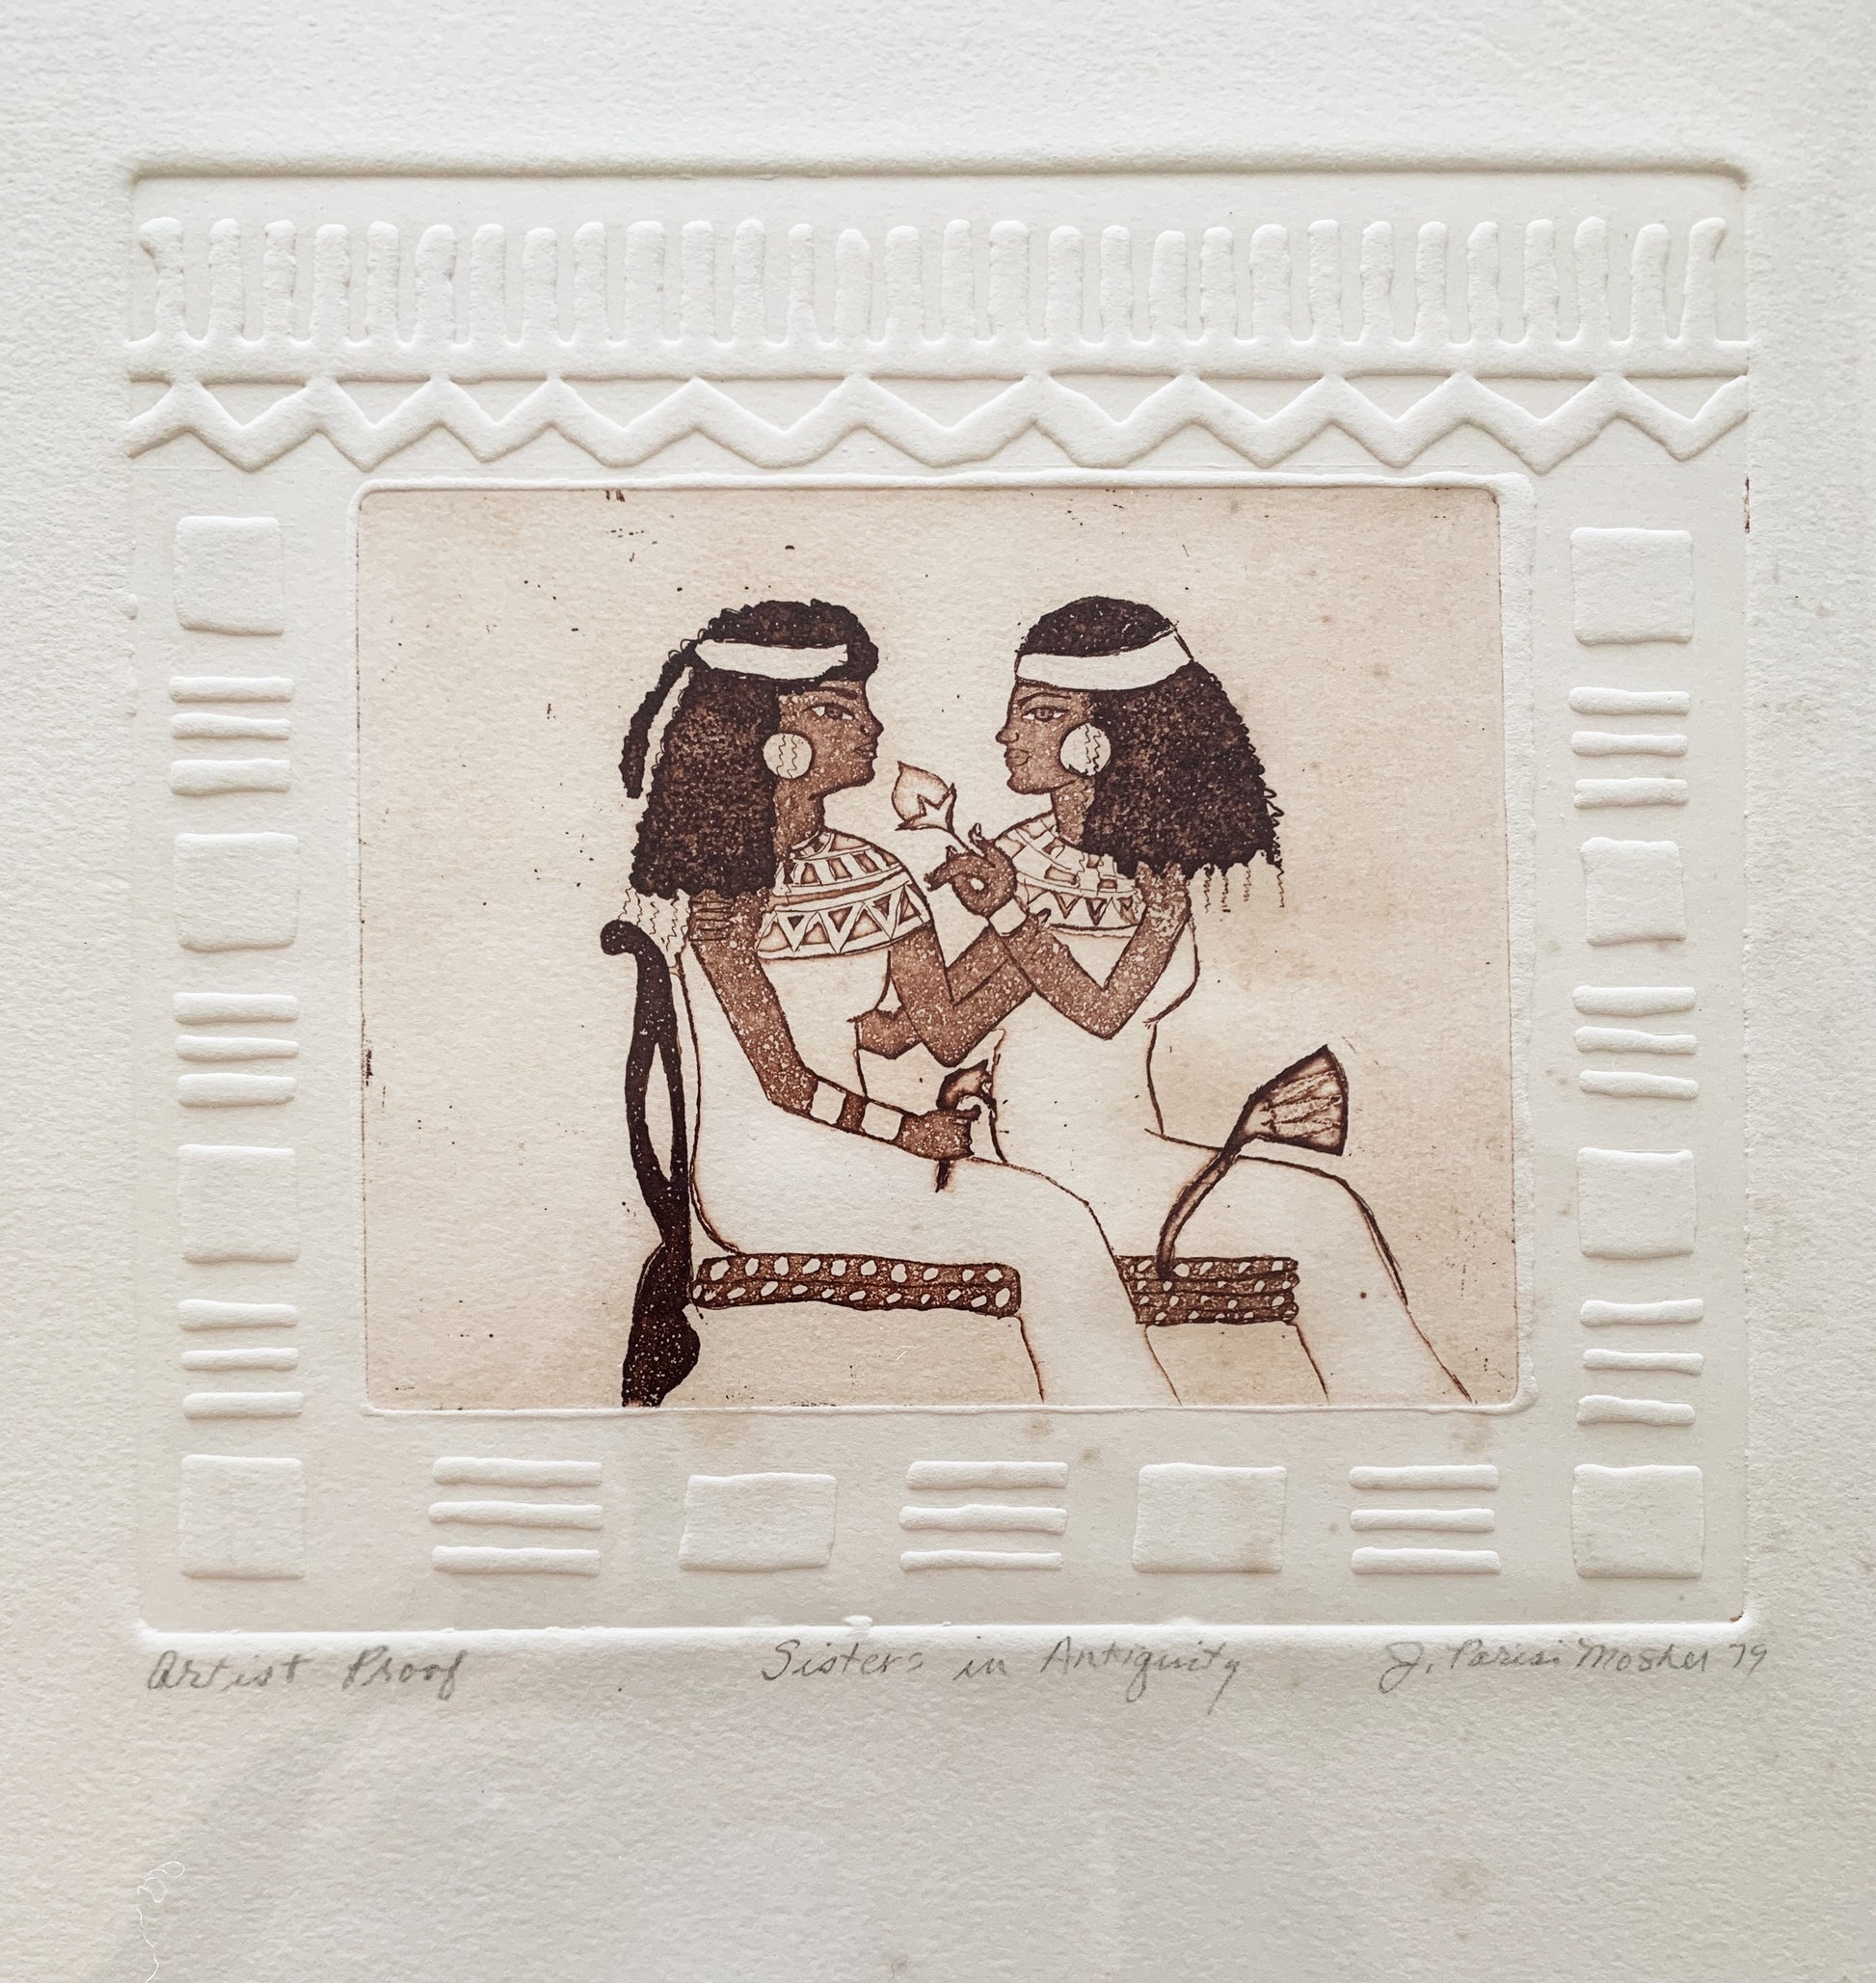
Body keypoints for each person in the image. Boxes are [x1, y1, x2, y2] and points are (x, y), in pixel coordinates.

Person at [862, 596, 1466, 1404]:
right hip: (1069, 1171)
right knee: (1323, 1215)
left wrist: (1005, 914)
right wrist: (883, 923)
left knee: (1326, 1214)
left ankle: (1418, 1425)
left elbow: (1103, 1010)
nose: (1007, 735)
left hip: (1113, 1153)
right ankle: (1427, 1425)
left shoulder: (1155, 878)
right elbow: (938, 1031)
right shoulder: (1016, 857)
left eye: (1038, 713)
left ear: (1098, 737)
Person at [609, 597, 1175, 1407]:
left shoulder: (880, 873)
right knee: (1049, 1223)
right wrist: (906, 1130)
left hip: (850, 1150)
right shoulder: (721, 897)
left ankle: (1125, 1428)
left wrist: (1015, 913)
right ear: (773, 740)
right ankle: (1132, 1432)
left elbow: (942, 1034)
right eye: (839, 709)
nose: (872, 726)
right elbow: (783, 1082)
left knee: (1051, 1221)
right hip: (772, 1170)